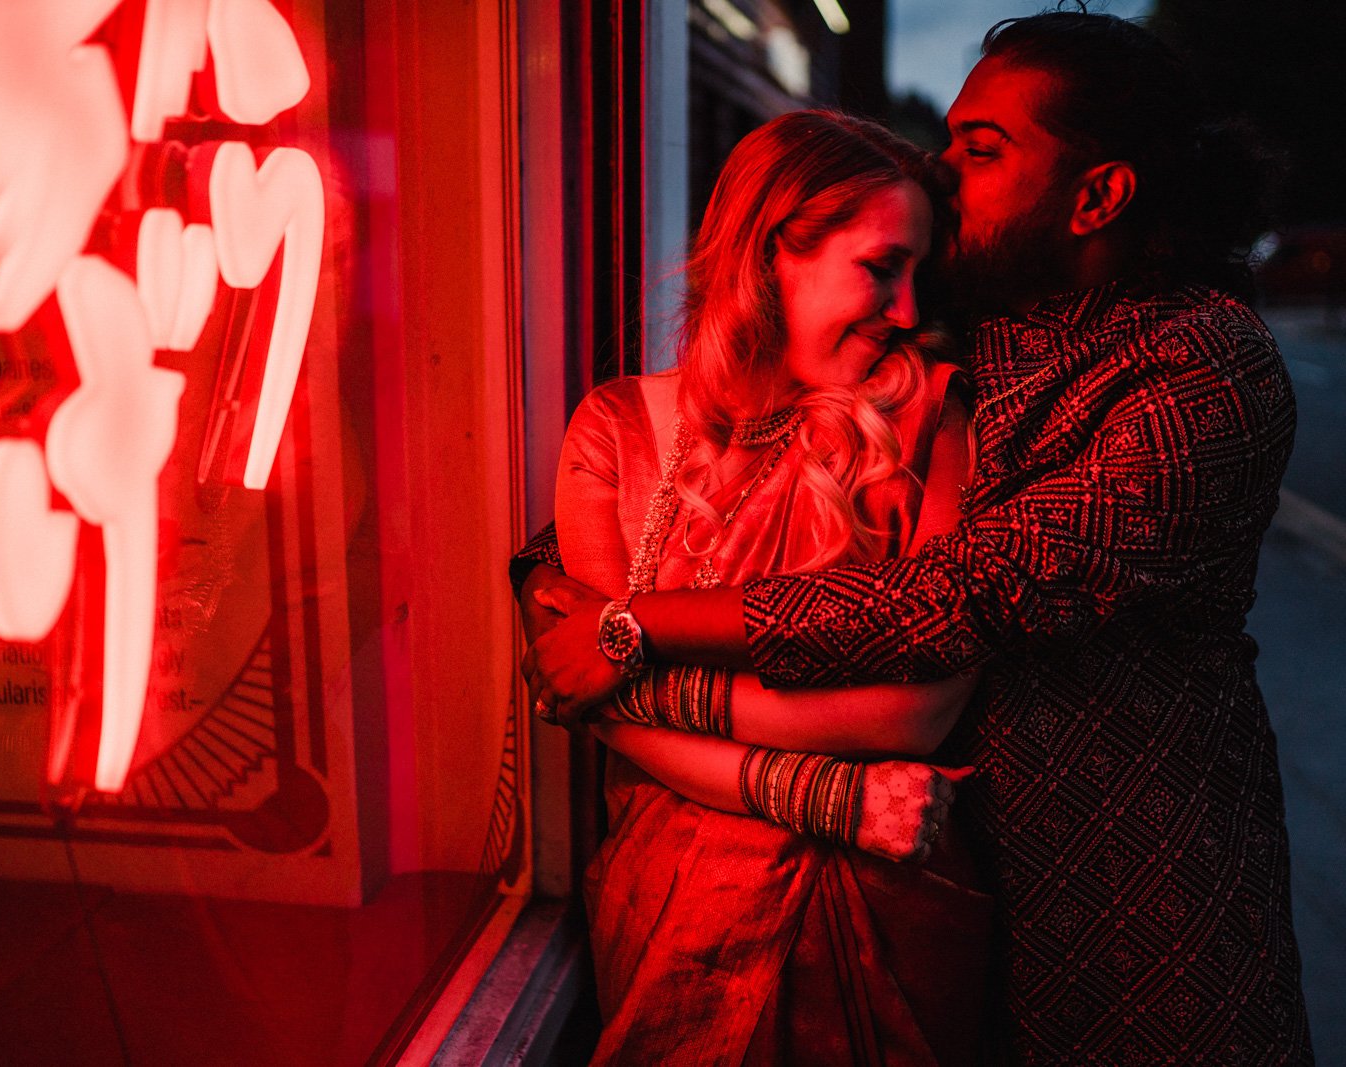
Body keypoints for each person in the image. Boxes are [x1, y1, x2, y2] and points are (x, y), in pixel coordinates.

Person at [516, 9, 1313, 1063]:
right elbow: (726, 425)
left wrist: (629, 629)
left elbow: (960, 594)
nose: (945, 169)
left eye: (980, 150)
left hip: (1136, 896)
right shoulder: (989, 321)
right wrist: (544, 569)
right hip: (968, 883)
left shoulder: (1205, 366)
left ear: (1097, 196)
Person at [545, 109, 989, 1065]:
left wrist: (638, 653)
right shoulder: (616, 431)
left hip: (875, 914)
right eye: (881, 266)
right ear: (767, 251)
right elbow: (588, 694)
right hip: (672, 905)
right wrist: (823, 792)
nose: (907, 311)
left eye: (919, 274)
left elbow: (918, 710)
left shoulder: (921, 414)